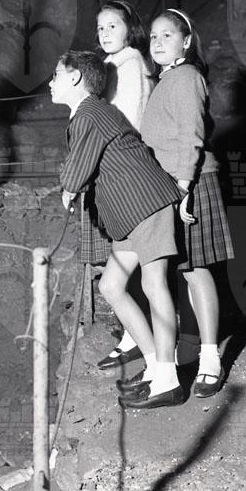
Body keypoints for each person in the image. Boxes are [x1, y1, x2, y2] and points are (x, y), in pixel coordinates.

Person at [51, 50, 185, 408]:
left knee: (153, 284)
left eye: (56, 74)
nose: (50, 82)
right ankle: (155, 366)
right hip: (129, 211)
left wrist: (67, 188)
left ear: (75, 78)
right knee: (111, 286)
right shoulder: (92, 112)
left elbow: (76, 171)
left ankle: (169, 380)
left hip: (145, 202)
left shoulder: (89, 114)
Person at [140, 8, 235, 398]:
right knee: (181, 270)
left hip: (191, 181)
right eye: (153, 36)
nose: (158, 42)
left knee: (196, 270)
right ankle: (189, 351)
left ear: (187, 41)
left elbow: (191, 136)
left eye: (167, 35)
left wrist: (183, 189)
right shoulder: (168, 79)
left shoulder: (186, 77)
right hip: (172, 184)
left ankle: (211, 360)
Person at [91, 0, 155, 370]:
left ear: (129, 29)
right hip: (119, 169)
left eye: (112, 26)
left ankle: (148, 348)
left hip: (128, 170)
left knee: (135, 261)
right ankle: (135, 337)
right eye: (100, 28)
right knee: (126, 259)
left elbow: (127, 120)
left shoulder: (129, 65)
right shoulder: (114, 64)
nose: (105, 33)